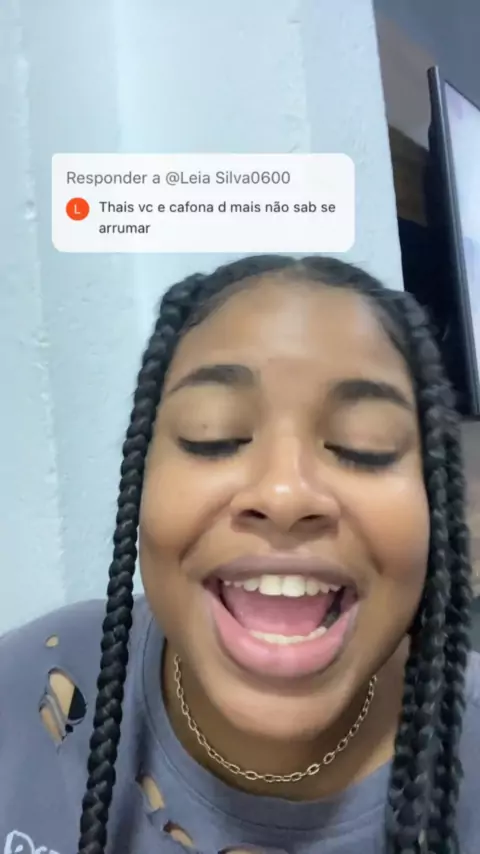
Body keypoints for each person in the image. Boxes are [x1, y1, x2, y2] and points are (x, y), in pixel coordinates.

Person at [0, 254, 477, 854]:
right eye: (213, 435)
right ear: (141, 478)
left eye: (366, 445)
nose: (284, 495)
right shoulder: (26, 689)